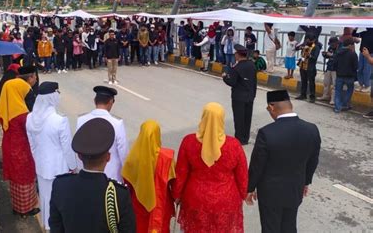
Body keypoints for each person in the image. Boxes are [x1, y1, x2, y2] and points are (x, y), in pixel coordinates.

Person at [246, 90, 321, 233]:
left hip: (270, 193)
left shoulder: (266, 133)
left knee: (270, 227)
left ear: (272, 107)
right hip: (295, 188)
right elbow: (313, 160)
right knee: (289, 226)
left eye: (268, 109)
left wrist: (250, 188)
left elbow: (257, 165)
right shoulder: (311, 129)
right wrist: (306, 181)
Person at [49, 118, 136, 232]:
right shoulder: (119, 194)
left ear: (79, 156)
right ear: (108, 157)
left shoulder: (60, 185)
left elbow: (56, 228)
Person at [173, 103, 248, 233]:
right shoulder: (233, 145)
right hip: (226, 200)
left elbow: (181, 173)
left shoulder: (188, 142)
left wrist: (176, 195)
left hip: (195, 199)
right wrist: (243, 193)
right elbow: (242, 175)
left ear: (203, 117)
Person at [26, 82, 77, 231]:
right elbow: (67, 148)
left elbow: (32, 146)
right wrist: (73, 167)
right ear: (52, 97)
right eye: (57, 93)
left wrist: (39, 161)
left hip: (41, 166)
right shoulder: (60, 120)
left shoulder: (30, 118)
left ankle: (47, 225)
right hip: (59, 167)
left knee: (45, 197)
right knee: (60, 200)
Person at [0, 76, 39, 217]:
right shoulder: (21, 113)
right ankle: (25, 210)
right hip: (21, 149)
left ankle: (17, 207)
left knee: (15, 181)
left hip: (9, 146)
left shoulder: (7, 107)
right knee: (24, 178)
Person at [122, 120, 175, 233]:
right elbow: (173, 184)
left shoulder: (132, 159)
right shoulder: (167, 158)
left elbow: (127, 183)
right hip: (161, 205)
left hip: (138, 204)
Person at [76, 86, 128, 181]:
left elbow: (78, 148)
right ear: (111, 102)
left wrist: (80, 169)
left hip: (87, 173)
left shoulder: (81, 120)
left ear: (95, 100)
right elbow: (123, 153)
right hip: (111, 175)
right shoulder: (117, 123)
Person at [222, 44, 257, 145]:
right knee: (247, 118)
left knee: (239, 118)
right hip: (250, 96)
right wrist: (253, 95)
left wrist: (224, 77)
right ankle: (245, 138)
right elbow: (254, 82)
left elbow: (232, 82)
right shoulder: (252, 65)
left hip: (239, 97)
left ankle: (239, 139)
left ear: (238, 55)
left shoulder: (236, 67)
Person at [333, 38, 358, 114]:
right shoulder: (353, 54)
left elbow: (335, 64)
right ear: (350, 45)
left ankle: (337, 108)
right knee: (349, 90)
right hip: (349, 76)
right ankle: (344, 104)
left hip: (339, 75)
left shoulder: (338, 52)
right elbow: (356, 66)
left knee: (338, 91)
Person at [295, 33, 321, 103]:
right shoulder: (305, 45)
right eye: (307, 39)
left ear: (314, 40)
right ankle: (303, 94)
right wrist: (299, 47)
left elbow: (315, 57)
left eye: (309, 40)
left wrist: (309, 55)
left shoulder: (316, 47)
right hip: (303, 65)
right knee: (303, 81)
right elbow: (296, 48)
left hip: (310, 67)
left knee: (311, 82)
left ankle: (312, 96)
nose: (308, 41)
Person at [317, 37, 339, 105]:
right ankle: (325, 95)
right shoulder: (330, 48)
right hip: (329, 66)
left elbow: (339, 57)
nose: (331, 46)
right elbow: (328, 56)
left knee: (335, 85)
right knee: (326, 83)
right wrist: (325, 55)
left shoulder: (340, 48)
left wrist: (332, 55)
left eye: (332, 44)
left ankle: (333, 99)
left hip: (336, 68)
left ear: (336, 43)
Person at [353, 28, 373, 93]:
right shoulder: (364, 33)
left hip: (370, 54)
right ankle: (361, 84)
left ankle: (368, 85)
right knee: (360, 68)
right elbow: (354, 34)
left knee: (367, 70)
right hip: (362, 53)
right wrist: (355, 28)